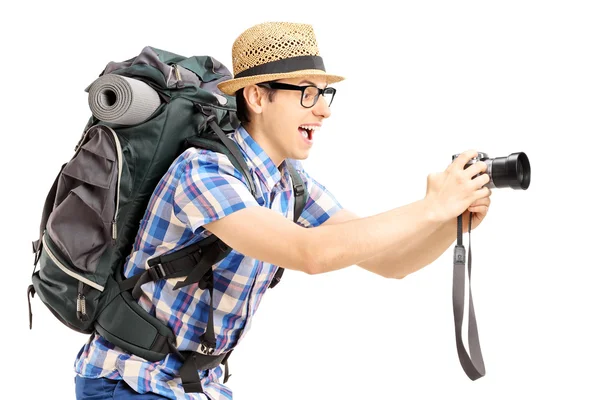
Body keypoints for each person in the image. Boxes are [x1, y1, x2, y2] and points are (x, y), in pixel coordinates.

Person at [73, 21, 492, 399]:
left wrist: (449, 220)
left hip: (194, 387)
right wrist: (430, 206)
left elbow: (390, 260)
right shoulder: (203, 172)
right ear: (257, 95)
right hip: (129, 382)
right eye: (307, 93)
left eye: (324, 93)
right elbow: (309, 252)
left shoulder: (286, 182)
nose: (325, 110)